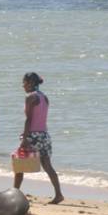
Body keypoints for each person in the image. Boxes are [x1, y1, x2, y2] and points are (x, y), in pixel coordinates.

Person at [14, 72, 64, 204]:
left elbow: (29, 119)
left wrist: (25, 138)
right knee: (47, 166)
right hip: (44, 135)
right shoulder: (44, 97)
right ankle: (58, 194)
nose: (22, 85)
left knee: (19, 165)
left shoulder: (30, 97)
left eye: (24, 82)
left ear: (30, 83)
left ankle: (14, 194)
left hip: (32, 135)